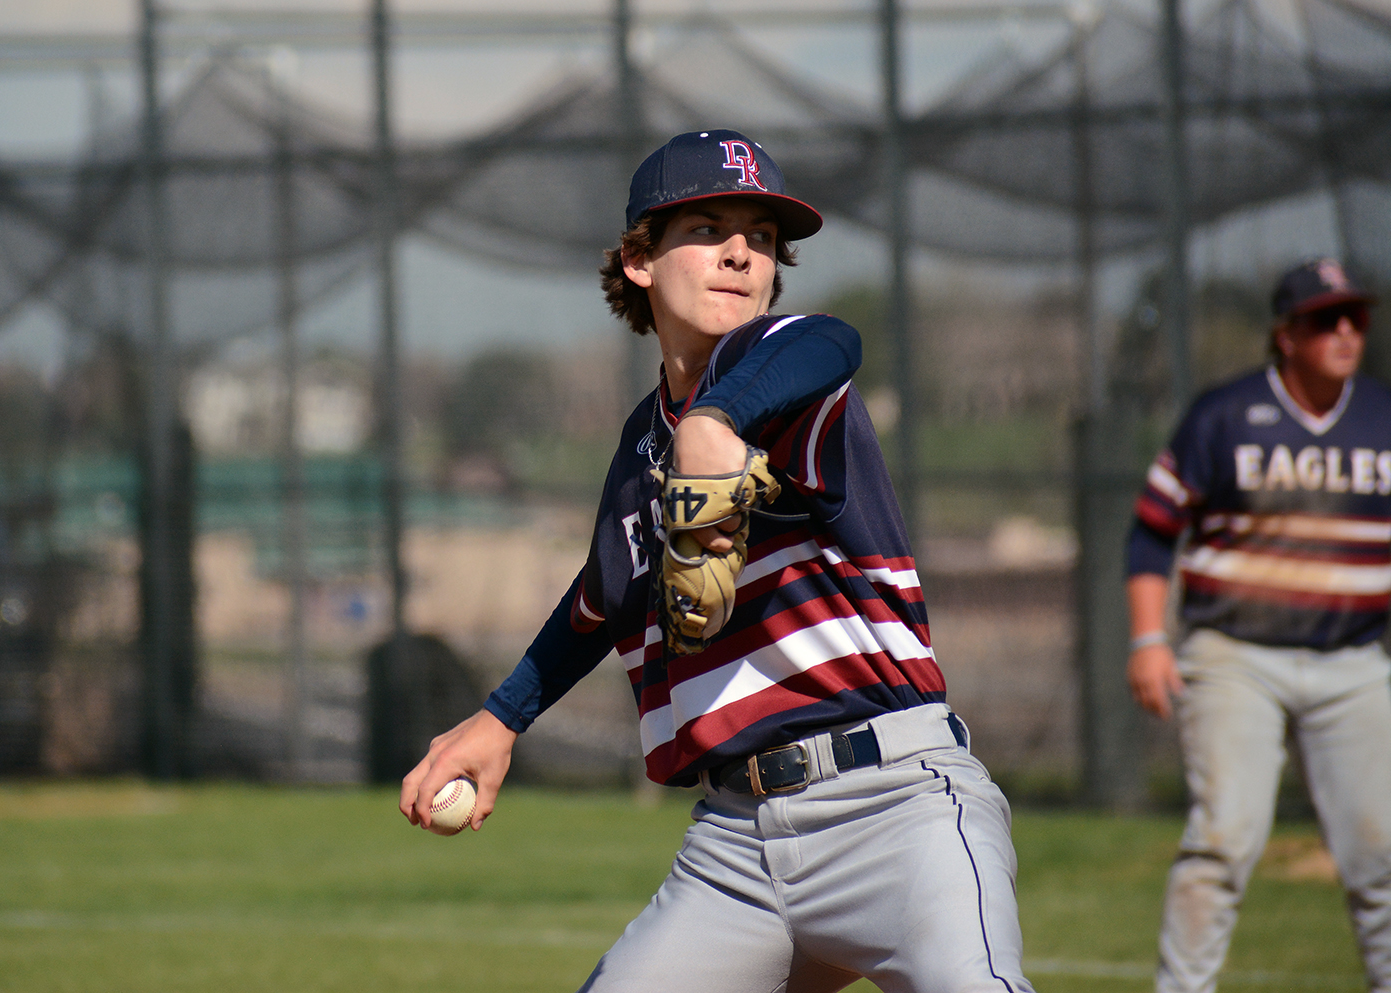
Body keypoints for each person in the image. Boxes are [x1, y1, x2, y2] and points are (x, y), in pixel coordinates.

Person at [400, 129, 1034, 993]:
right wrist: (504, 715)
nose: (741, 251)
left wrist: (714, 422)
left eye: (764, 238)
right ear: (638, 260)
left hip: (893, 805)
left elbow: (834, 340)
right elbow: (602, 594)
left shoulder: (791, 380)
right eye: (706, 226)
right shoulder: (640, 444)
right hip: (736, 840)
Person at [1126, 258, 1391, 993]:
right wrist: (1149, 639)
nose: (1344, 331)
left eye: (1355, 317)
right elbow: (1150, 534)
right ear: (1285, 334)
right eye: (1323, 318)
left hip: (1355, 661)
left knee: (1382, 855)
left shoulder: (1382, 418)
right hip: (1236, 657)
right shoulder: (1226, 414)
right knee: (1224, 842)